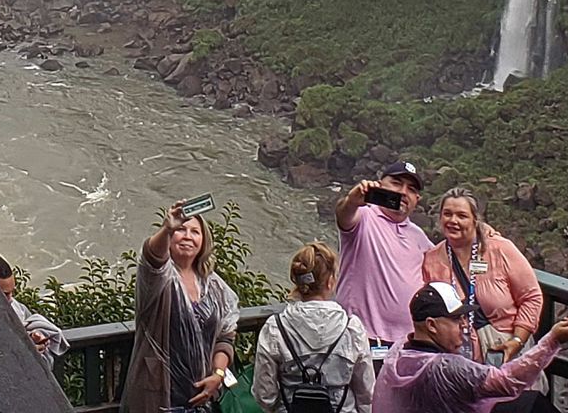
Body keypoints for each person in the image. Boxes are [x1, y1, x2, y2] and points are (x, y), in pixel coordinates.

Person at [375, 281, 568, 413]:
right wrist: (552, 340)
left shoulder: (398, 352)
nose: (464, 324)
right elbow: (507, 381)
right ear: (431, 325)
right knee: (532, 404)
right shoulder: (445, 368)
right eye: (455, 319)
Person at [118, 201, 241, 413]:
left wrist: (218, 374)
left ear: (203, 241)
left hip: (202, 396)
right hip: (158, 394)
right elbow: (152, 258)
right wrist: (167, 228)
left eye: (195, 232)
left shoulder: (214, 287)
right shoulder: (158, 280)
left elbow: (225, 336)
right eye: (181, 230)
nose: (187, 236)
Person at [422, 187, 544, 367]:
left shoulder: (500, 249)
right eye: (447, 214)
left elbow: (531, 297)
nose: (453, 221)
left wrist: (518, 340)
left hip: (504, 350)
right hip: (458, 357)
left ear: (475, 220)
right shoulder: (432, 259)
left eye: (462, 216)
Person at [253, 241, 375, 413]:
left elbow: (264, 394)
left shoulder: (275, 329)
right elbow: (366, 392)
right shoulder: (351, 329)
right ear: (331, 282)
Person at [335, 160, 433, 348]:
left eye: (411, 189)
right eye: (396, 183)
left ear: (417, 200)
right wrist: (351, 200)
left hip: (405, 343)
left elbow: (447, 256)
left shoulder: (418, 235)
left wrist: (481, 232)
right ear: (380, 186)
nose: (403, 192)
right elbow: (344, 215)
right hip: (361, 337)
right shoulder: (364, 217)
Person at [0, 252, 70, 372]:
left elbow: (44, 364)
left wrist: (36, 340)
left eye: (12, 292)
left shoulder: (18, 309)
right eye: (4, 294)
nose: (10, 299)